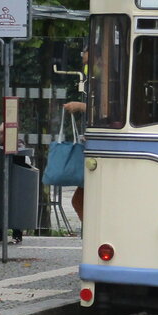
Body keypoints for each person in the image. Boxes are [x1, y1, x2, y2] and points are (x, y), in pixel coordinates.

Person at [61, 44, 88, 221]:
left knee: (79, 201)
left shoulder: (107, 73)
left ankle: (93, 235)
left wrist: (80, 106)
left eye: (84, 54)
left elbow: (108, 109)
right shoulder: (95, 73)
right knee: (79, 201)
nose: (82, 58)